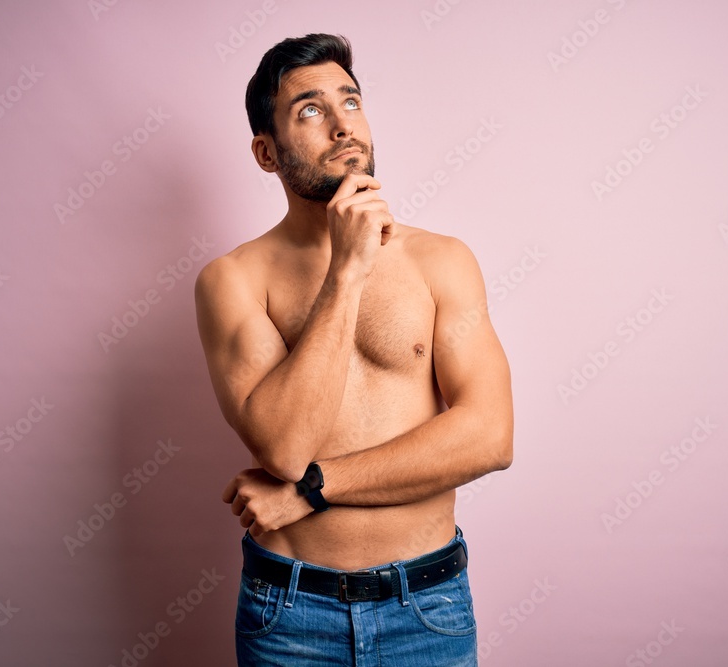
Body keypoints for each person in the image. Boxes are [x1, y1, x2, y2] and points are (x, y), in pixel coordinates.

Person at [194, 33, 513, 666]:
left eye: (352, 100)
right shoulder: (233, 280)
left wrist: (312, 490)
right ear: (266, 152)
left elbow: (490, 437)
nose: (344, 125)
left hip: (428, 603)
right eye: (310, 110)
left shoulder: (442, 260)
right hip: (290, 613)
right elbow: (283, 447)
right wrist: (347, 269)